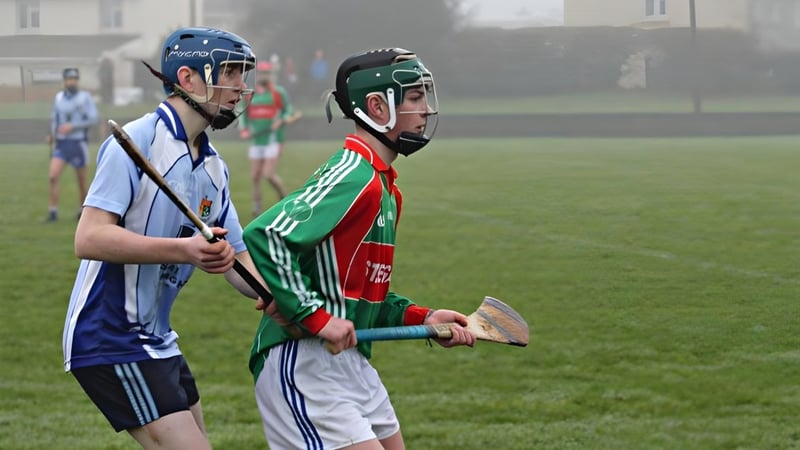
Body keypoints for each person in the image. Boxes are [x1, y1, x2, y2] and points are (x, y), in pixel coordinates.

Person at [243, 47, 476, 450]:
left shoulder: (385, 187)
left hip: (350, 362)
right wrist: (314, 317)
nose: (426, 110)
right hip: (304, 361)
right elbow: (267, 235)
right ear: (376, 105)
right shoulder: (355, 175)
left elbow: (359, 295)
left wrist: (424, 317)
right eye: (415, 98)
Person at [62, 27, 274, 450]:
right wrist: (185, 250)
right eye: (229, 72)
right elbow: (89, 238)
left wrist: (283, 304)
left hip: (157, 337)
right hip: (110, 335)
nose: (240, 86)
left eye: (242, 74)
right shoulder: (138, 140)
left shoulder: (214, 167)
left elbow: (237, 259)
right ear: (188, 78)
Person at [238, 60, 296, 216]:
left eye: (267, 73)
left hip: (273, 140)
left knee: (268, 174)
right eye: (262, 73)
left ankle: (284, 197)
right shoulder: (250, 94)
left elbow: (289, 110)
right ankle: (257, 207)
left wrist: (282, 119)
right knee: (255, 176)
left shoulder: (278, 93)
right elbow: (243, 114)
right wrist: (244, 129)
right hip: (256, 140)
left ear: (271, 75)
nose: (265, 75)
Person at [46, 67, 99, 222]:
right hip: (62, 144)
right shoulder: (59, 98)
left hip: (78, 143)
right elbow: (55, 118)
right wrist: (52, 134)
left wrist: (73, 126)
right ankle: (53, 212)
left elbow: (93, 118)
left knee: (82, 182)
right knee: (53, 176)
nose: (72, 81)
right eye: (69, 79)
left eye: (74, 79)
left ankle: (82, 212)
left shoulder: (85, 98)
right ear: (65, 81)